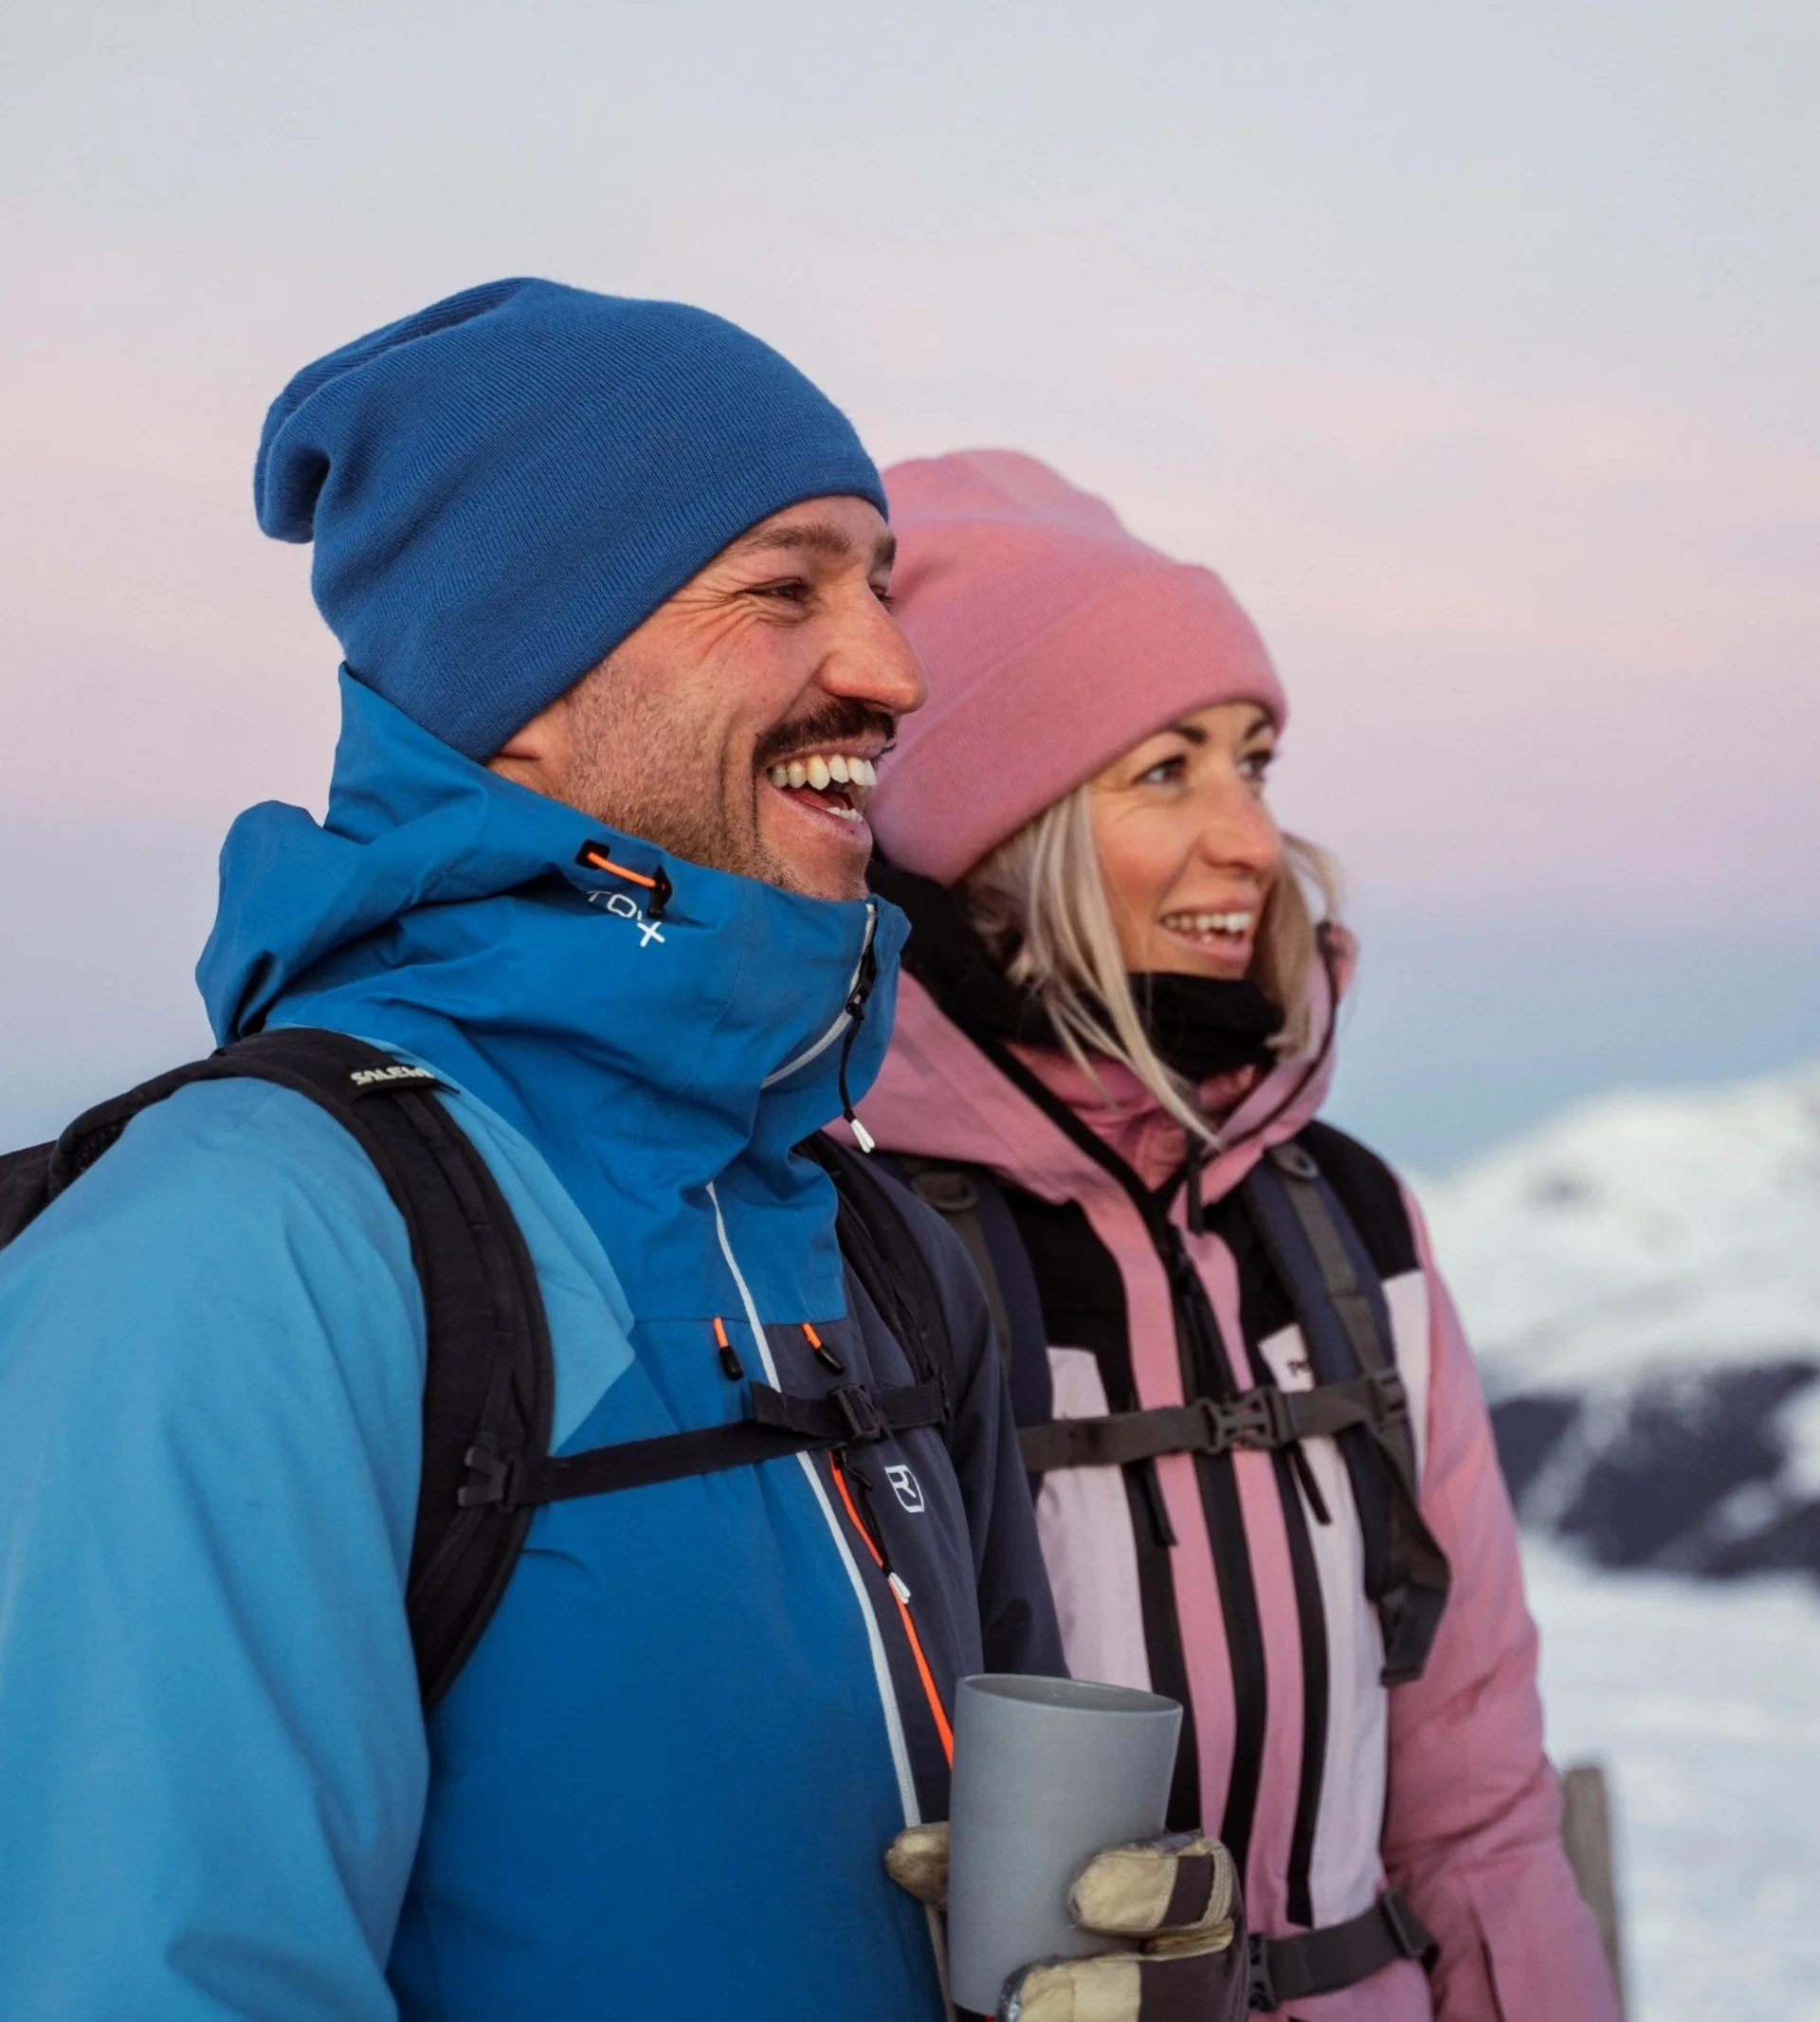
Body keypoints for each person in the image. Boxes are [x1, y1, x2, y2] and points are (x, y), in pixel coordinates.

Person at [0, 290, 1244, 2021]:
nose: (892, 668)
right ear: (525, 673)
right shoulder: (247, 1247)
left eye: (877, 581)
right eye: (786, 586)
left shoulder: (861, 1236)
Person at [853, 448, 1624, 2020]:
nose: (1251, 842)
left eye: (1252, 762)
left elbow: (1475, 1800)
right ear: (993, 833)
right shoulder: (851, 1237)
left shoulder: (1347, 1223)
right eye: (1165, 772)